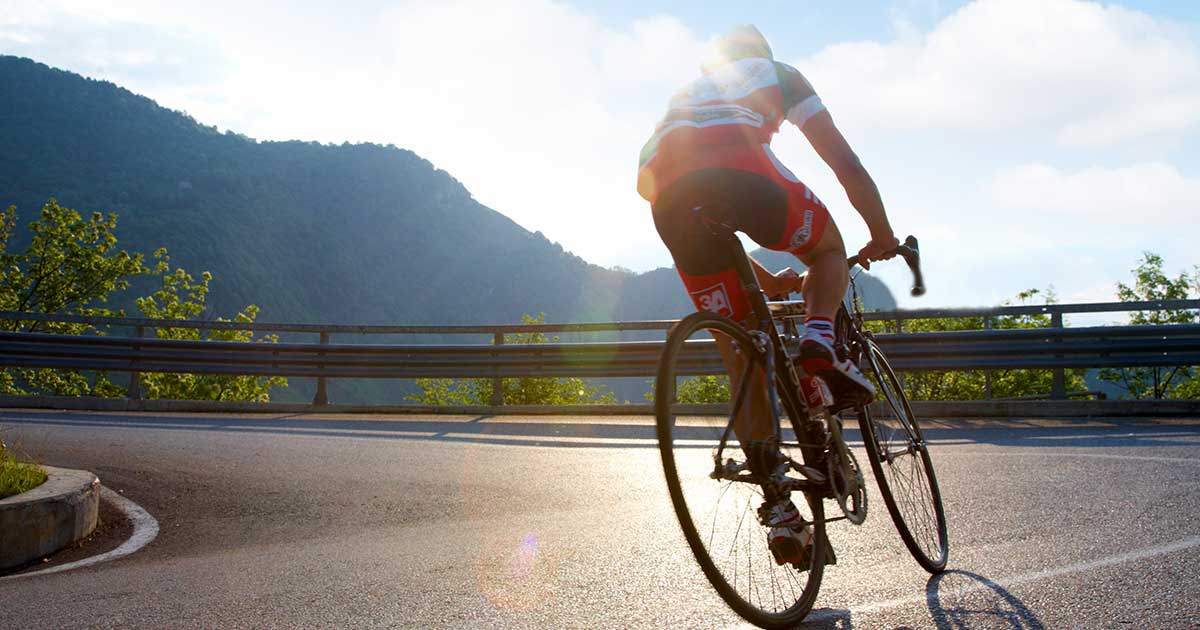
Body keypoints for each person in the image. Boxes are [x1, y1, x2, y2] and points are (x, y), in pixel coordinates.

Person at [637, 25, 900, 566]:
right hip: (746, 175)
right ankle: (819, 340)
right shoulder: (780, 75)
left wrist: (756, 272)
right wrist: (881, 232)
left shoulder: (684, 95)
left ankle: (779, 508)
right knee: (828, 251)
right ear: (761, 56)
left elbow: (656, 185)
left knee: (741, 352)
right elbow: (844, 164)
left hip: (669, 200)